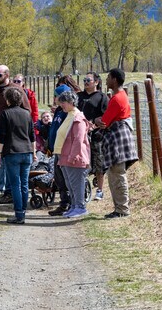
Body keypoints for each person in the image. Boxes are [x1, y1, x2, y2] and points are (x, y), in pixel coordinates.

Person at [94, 68, 139, 219]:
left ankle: (122, 209)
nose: (106, 80)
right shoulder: (120, 96)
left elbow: (104, 122)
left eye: (108, 77)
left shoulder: (117, 98)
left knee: (118, 175)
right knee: (115, 174)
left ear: (114, 79)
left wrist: (96, 120)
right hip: (118, 137)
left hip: (117, 138)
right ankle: (119, 208)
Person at [0, 65, 31, 204]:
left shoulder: (16, 90)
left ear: (6, 75)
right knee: (1, 163)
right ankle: (7, 191)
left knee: (10, 162)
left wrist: (21, 129)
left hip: (13, 132)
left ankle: (11, 193)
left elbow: (27, 110)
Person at [0, 87, 36, 224]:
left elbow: (2, 136)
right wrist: (34, 152)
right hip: (26, 152)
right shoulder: (27, 114)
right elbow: (32, 136)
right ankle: (23, 211)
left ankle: (19, 215)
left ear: (8, 100)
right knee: (24, 184)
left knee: (15, 184)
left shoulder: (5, 114)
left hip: (12, 152)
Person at [53, 90, 92, 218]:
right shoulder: (69, 115)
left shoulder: (78, 118)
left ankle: (80, 207)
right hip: (64, 156)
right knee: (70, 184)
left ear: (71, 102)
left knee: (76, 184)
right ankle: (74, 206)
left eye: (63, 102)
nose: (61, 105)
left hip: (74, 158)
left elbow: (78, 139)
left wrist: (73, 156)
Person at [77, 71, 109, 201]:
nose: (85, 82)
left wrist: (95, 121)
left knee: (99, 164)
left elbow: (106, 117)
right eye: (84, 80)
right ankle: (81, 189)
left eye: (88, 80)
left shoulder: (102, 97)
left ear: (96, 82)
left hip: (97, 136)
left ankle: (100, 190)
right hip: (79, 135)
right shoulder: (78, 96)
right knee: (80, 163)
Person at [47, 84, 73, 216]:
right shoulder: (58, 111)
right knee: (58, 178)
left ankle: (67, 203)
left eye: (56, 96)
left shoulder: (67, 112)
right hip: (55, 149)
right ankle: (63, 203)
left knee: (64, 178)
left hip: (63, 150)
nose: (54, 98)